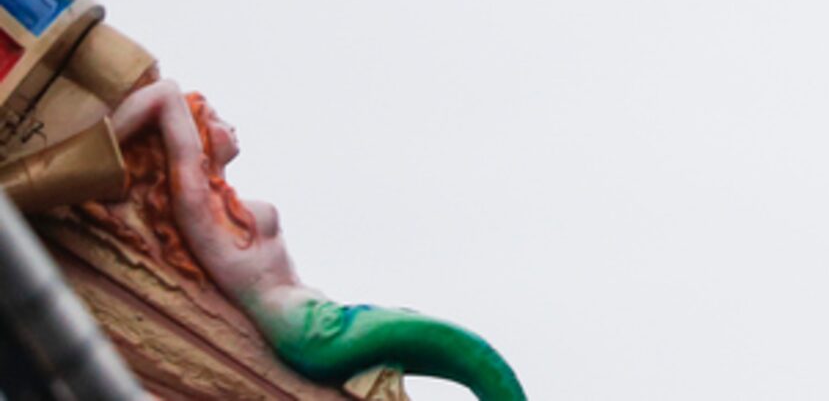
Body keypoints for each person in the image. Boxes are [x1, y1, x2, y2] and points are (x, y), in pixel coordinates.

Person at [106, 81, 526, 401]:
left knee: (462, 354)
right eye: (214, 119)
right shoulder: (196, 202)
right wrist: (97, 145)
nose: (229, 125)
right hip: (314, 333)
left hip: (323, 324)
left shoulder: (220, 204)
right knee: (472, 355)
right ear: (194, 136)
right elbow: (164, 94)